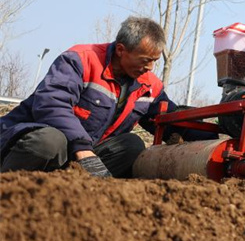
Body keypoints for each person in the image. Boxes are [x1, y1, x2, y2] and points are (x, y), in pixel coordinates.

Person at [0, 16, 216, 177]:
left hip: (82, 156)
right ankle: (9, 191)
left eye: (154, 61)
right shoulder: (80, 60)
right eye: (144, 59)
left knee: (132, 144)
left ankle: (76, 198)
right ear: (121, 50)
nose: (149, 67)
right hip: (34, 145)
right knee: (50, 141)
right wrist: (83, 149)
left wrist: (216, 138)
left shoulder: (148, 85)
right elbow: (51, 104)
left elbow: (168, 119)